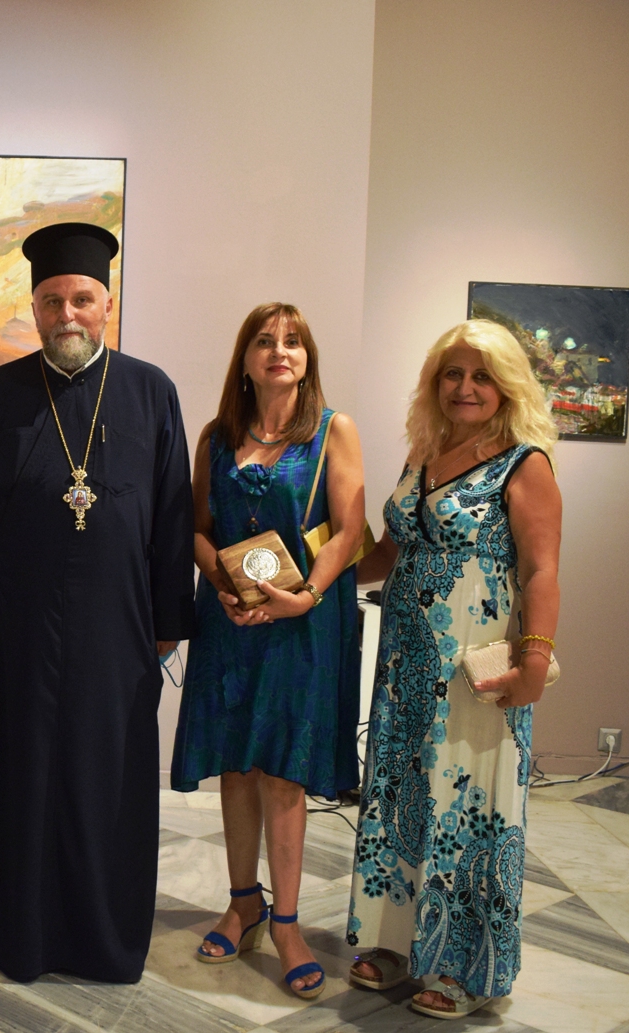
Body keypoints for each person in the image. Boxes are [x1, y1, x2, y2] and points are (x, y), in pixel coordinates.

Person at [0, 222, 196, 982]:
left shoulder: (150, 390)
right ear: (35, 309)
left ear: (107, 305)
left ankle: (99, 936)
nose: (66, 314)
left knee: (103, 775)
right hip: (15, 624)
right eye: (52, 301)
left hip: (118, 626)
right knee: (15, 768)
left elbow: (173, 512)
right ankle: (7, 928)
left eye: (81, 299)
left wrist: (170, 619)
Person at [345, 319, 560, 1020]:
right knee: (399, 794)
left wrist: (533, 662)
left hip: (475, 670)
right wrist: (317, 573)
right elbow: (389, 551)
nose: (465, 387)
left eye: (481, 375)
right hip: (405, 665)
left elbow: (541, 569)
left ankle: (465, 967)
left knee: (468, 807)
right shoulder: (424, 453)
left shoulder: (524, 463)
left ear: (506, 385)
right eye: (452, 374)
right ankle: (395, 941)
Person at [170, 302, 365, 999]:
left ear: (306, 360)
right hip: (229, 620)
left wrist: (305, 595)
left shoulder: (333, 431)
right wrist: (222, 583)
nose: (278, 350)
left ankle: (286, 924)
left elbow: (349, 530)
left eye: (292, 341)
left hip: (298, 623)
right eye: (263, 340)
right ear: (245, 360)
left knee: (282, 771)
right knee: (236, 765)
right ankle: (242, 901)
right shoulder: (215, 436)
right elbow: (195, 526)